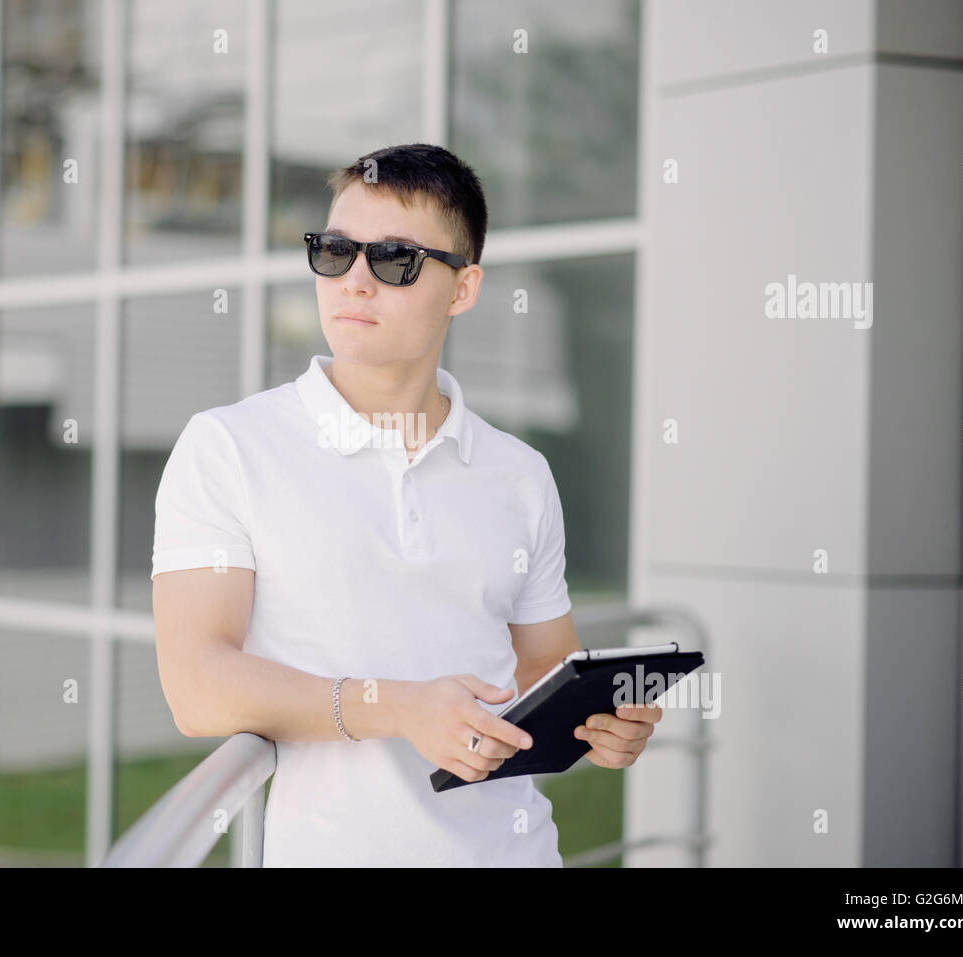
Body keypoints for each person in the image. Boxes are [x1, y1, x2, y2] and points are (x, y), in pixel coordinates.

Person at [150, 142, 661, 867]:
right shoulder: (229, 447)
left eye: (394, 259)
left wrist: (601, 726)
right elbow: (196, 687)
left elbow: (549, 673)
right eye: (334, 251)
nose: (354, 281)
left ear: (463, 287)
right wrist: (398, 706)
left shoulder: (519, 474)